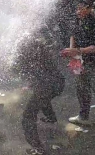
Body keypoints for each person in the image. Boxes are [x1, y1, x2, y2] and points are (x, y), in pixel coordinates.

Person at [17, 26, 65, 155]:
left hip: (48, 86)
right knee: (42, 100)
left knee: (28, 116)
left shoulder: (31, 50)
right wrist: (31, 84)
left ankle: (38, 149)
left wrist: (33, 84)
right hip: (55, 84)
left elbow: (38, 73)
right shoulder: (39, 47)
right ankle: (51, 118)